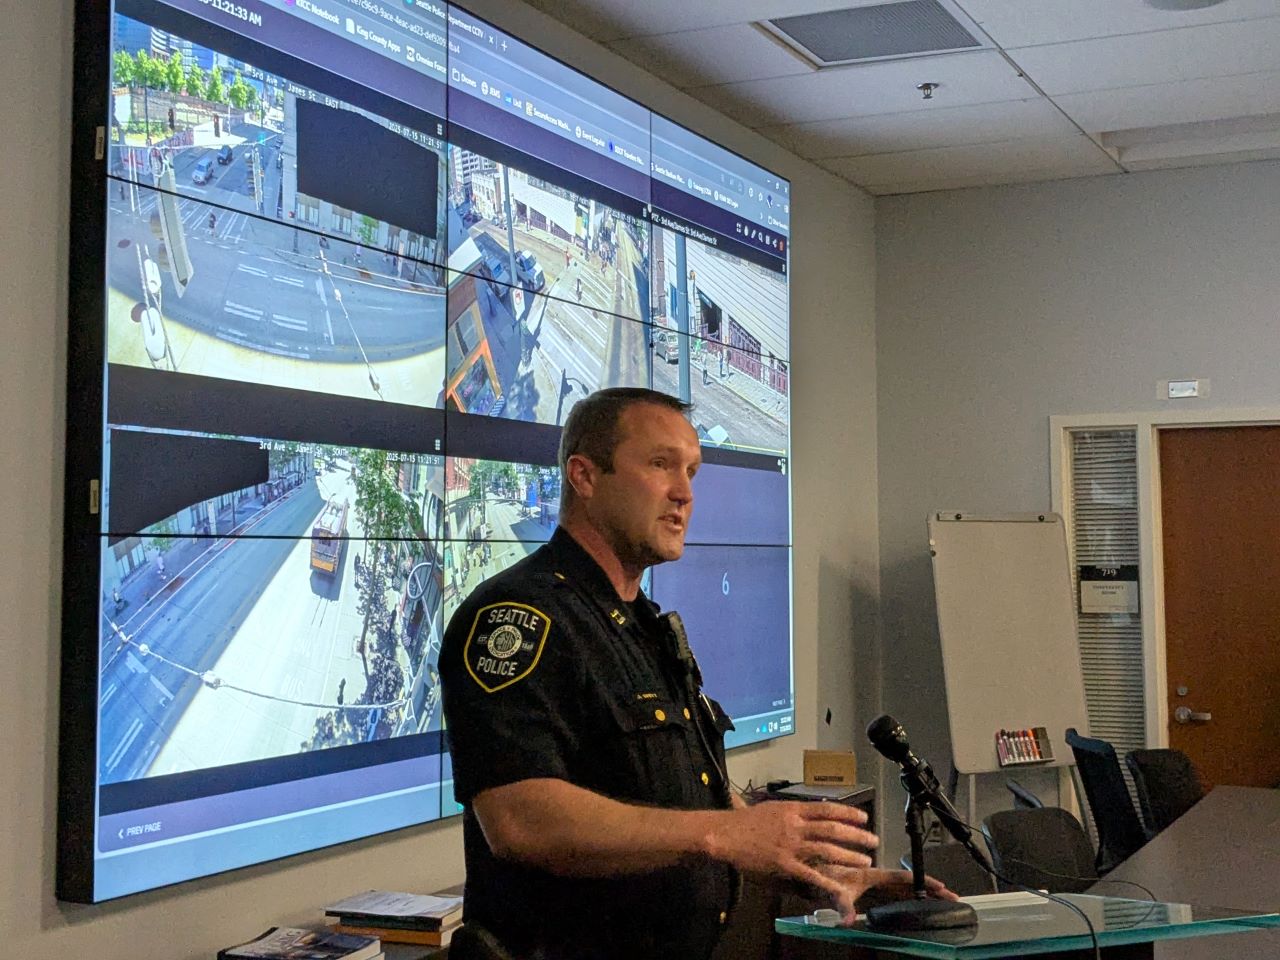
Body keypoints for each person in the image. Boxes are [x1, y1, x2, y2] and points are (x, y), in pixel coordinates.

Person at [440, 388, 952, 960]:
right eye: (659, 465)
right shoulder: (515, 618)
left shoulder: (647, 628)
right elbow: (520, 821)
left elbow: (691, 796)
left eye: (691, 471)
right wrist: (724, 836)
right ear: (583, 476)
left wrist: (824, 874)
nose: (684, 493)